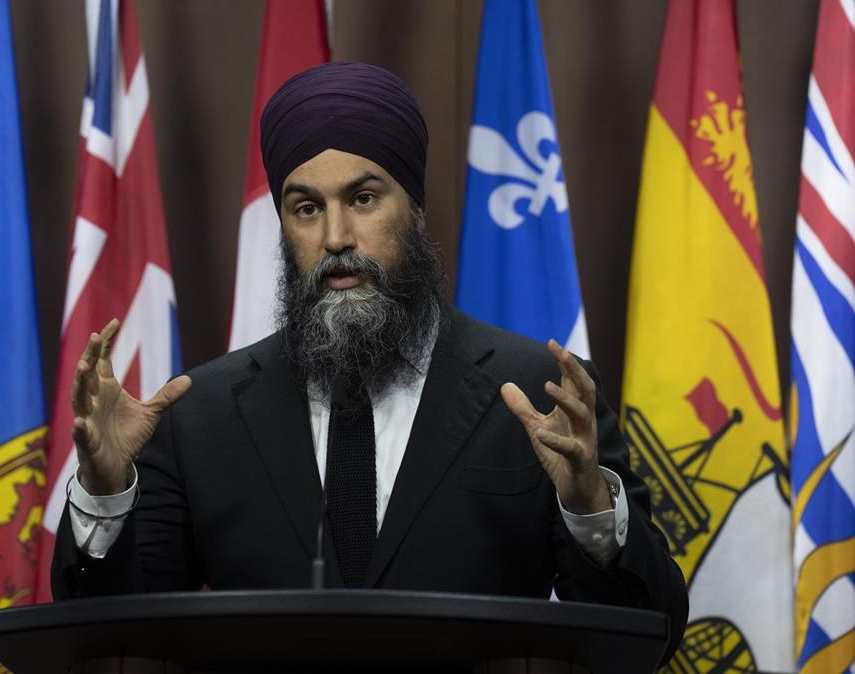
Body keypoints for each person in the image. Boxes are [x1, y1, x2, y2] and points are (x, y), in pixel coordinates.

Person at [51, 62, 688, 658]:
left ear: (414, 207)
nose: (335, 238)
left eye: (362, 199)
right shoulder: (202, 414)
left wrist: (588, 508)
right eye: (306, 209)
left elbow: (649, 635)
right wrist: (106, 495)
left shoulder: (535, 393)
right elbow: (118, 640)